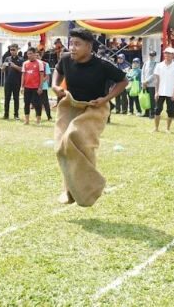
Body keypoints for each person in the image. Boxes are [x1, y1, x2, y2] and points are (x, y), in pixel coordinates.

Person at [51, 28, 128, 207]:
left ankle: (90, 188)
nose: (73, 48)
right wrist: (55, 86)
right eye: (71, 43)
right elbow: (58, 70)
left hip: (94, 109)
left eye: (77, 44)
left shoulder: (102, 65)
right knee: (61, 147)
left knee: (76, 138)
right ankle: (69, 190)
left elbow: (123, 81)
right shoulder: (66, 60)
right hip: (70, 105)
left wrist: (106, 99)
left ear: (89, 46)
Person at [153, 47, 174, 133]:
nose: (167, 55)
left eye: (169, 53)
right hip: (160, 92)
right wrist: (156, 92)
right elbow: (156, 80)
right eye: (165, 53)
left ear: (173, 55)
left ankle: (168, 128)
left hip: (171, 92)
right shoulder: (159, 65)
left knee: (170, 111)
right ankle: (156, 128)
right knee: (157, 110)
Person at [22, 47, 45, 125]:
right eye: (28, 54)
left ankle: (38, 120)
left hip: (36, 87)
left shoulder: (39, 63)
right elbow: (23, 75)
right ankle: (26, 120)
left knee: (37, 104)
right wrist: (22, 87)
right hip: (27, 87)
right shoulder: (25, 63)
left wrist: (40, 87)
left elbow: (41, 75)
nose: (29, 55)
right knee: (26, 103)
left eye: (31, 53)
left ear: (35, 54)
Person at [1, 44, 24, 120]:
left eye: (14, 50)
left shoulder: (21, 59)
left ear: (17, 50)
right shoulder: (7, 58)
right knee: (7, 99)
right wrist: (3, 67)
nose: (12, 51)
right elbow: (2, 70)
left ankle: (16, 115)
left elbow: (22, 70)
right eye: (11, 50)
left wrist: (14, 66)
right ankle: (6, 114)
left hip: (17, 82)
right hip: (8, 82)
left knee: (16, 99)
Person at [142, 50, 157, 118]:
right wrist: (143, 82)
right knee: (146, 98)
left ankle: (152, 113)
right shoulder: (145, 63)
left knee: (152, 100)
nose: (151, 56)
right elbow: (143, 73)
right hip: (145, 84)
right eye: (150, 55)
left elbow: (154, 74)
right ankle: (146, 112)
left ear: (155, 56)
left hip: (152, 84)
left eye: (153, 55)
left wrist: (146, 81)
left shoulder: (156, 64)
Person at [39, 51, 53, 121]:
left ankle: (49, 116)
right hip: (34, 86)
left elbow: (47, 76)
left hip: (43, 86)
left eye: (38, 56)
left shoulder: (45, 64)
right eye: (36, 55)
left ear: (41, 56)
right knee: (36, 102)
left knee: (45, 102)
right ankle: (38, 116)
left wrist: (40, 83)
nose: (37, 57)